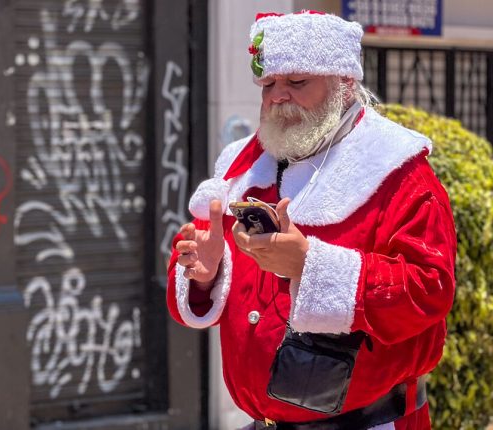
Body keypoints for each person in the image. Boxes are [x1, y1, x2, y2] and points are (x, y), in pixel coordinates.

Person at [167, 10, 456, 430]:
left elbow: (430, 289)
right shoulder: (240, 168)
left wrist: (309, 266)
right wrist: (205, 275)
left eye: (297, 82)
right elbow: (198, 275)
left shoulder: (398, 170)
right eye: (268, 84)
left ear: (343, 85)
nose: (278, 96)